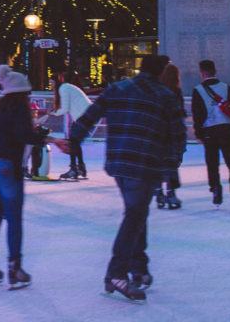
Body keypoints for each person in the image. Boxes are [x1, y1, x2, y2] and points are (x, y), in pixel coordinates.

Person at [64, 53, 187, 302]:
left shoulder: (118, 88)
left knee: (136, 211)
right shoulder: (165, 96)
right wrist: (172, 166)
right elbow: (178, 135)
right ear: (161, 72)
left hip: (119, 161)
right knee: (135, 214)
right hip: (145, 163)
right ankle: (116, 273)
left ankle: (139, 267)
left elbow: (90, 114)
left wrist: (73, 139)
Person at [0, 65, 49, 289]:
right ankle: (14, 268)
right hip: (5, 166)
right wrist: (43, 137)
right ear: (22, 93)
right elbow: (23, 135)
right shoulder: (20, 109)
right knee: (14, 218)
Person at [190, 58, 230, 210]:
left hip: (209, 130)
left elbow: (197, 115)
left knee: (212, 163)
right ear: (215, 71)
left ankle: (216, 189)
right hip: (226, 129)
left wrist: (199, 133)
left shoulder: (198, 90)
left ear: (202, 72)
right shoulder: (226, 87)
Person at [52, 68, 92, 180]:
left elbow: (65, 109)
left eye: (52, 83)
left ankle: (74, 169)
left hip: (84, 116)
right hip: (86, 115)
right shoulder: (67, 87)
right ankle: (80, 168)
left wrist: (53, 113)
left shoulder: (64, 88)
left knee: (73, 142)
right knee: (75, 142)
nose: (51, 86)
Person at [155, 62, 184, 209]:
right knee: (171, 164)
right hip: (171, 133)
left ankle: (159, 192)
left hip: (157, 132)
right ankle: (171, 193)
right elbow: (179, 113)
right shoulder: (175, 92)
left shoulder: (156, 90)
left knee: (159, 163)